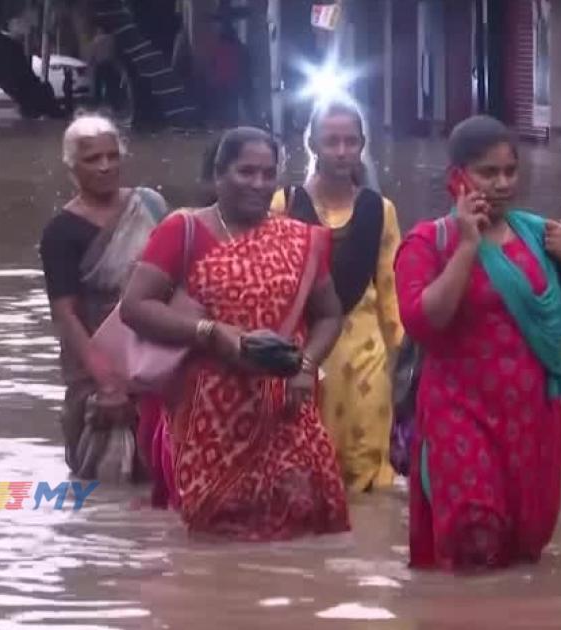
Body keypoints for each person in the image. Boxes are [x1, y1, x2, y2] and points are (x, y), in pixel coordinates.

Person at [120, 127, 350, 541]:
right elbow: (135, 307)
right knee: (217, 529)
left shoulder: (299, 238)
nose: (259, 184)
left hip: (288, 407)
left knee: (306, 519)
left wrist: (307, 367)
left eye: (268, 173)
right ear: (218, 175)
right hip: (211, 415)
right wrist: (210, 332)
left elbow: (330, 314)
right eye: (246, 172)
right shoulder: (184, 231)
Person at [393, 115, 561, 571]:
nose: (503, 183)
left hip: (531, 414)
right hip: (459, 411)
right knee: (473, 532)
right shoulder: (427, 243)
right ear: (457, 177)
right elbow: (424, 321)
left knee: (525, 542)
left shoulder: (541, 237)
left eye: (511, 170)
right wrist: (467, 247)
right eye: (488, 172)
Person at [271, 98, 403, 493]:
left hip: (366, 352)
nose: (342, 151)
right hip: (304, 353)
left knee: (368, 463)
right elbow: (274, 287)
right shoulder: (285, 204)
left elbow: (390, 288)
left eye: (351, 141)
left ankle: (367, 547)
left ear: (363, 144)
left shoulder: (380, 210)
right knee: (308, 459)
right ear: (312, 144)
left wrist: (411, 352)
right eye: (332, 141)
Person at [38, 115, 169, 482]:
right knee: (105, 484)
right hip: (98, 366)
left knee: (162, 476)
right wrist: (106, 381)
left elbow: (178, 278)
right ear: (71, 167)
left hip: (156, 357)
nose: (105, 166)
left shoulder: (150, 206)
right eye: (92, 159)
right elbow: (66, 314)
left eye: (112, 156)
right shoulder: (61, 233)